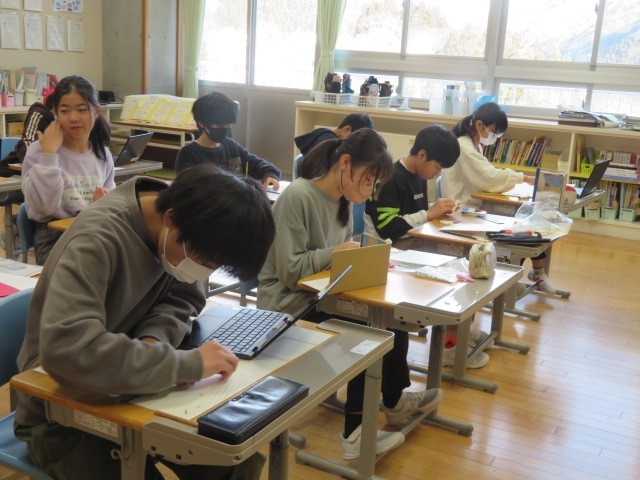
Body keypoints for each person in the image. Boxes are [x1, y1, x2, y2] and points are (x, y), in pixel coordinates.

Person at [14, 164, 274, 480]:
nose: (204, 270)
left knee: (235, 462)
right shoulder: (95, 240)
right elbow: (69, 351)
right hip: (60, 413)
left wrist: (154, 341)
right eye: (205, 261)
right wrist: (186, 365)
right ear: (171, 220)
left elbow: (182, 299)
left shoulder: (188, 228)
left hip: (134, 389)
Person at [257, 128, 443, 461]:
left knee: (390, 314)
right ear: (345, 164)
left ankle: (394, 400)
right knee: (367, 332)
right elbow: (290, 271)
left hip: (322, 295)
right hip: (287, 304)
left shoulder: (342, 201)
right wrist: (338, 253)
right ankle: (355, 435)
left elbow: (335, 266)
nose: (369, 190)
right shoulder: (298, 196)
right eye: (368, 180)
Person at [363, 125, 491, 369]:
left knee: (467, 263)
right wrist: (429, 213)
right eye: (437, 168)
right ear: (422, 155)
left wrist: (437, 208)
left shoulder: (418, 175)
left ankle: (460, 328)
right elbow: (388, 228)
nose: (436, 174)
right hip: (389, 251)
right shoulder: (390, 178)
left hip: (410, 245)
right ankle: (451, 345)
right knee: (454, 276)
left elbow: (415, 216)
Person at [442, 102, 559, 295]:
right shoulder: (464, 146)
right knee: (520, 228)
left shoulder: (474, 145)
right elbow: (489, 177)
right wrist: (522, 178)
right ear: (479, 125)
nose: (495, 137)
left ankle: (531, 274)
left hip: (474, 207)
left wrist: (519, 178)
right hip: (463, 212)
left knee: (527, 223)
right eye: (494, 132)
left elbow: (487, 175)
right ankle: (516, 279)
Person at [21, 75, 115, 265]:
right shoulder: (40, 150)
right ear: (55, 112)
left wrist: (103, 202)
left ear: (96, 111)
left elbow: (113, 202)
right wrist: (49, 153)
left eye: (81, 110)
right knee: (81, 272)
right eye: (64, 111)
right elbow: (44, 207)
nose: (73, 118)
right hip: (53, 235)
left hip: (92, 229)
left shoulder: (102, 153)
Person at [175, 91, 281, 190]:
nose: (224, 128)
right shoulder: (188, 154)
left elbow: (257, 163)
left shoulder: (230, 146)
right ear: (201, 123)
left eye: (228, 124)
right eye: (219, 124)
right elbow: (189, 190)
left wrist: (270, 174)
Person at [294, 112, 373, 156]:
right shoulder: (329, 143)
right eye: (353, 141)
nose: (352, 146)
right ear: (347, 129)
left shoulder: (323, 133)